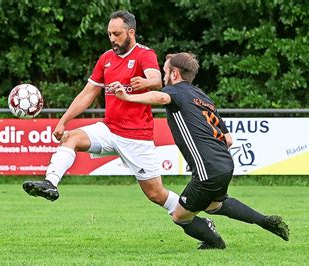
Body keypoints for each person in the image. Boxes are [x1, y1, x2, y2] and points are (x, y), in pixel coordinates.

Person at [114, 52, 289, 249]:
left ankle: (214, 242)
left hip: (208, 170)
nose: (164, 77)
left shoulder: (175, 92)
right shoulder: (202, 97)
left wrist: (127, 96)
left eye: (165, 71)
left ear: (175, 73)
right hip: (225, 164)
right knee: (214, 204)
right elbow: (228, 139)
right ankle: (264, 221)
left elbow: (161, 98)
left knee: (180, 216)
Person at [22, 10, 179, 216]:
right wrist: (63, 121)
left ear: (131, 32)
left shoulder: (144, 54)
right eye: (109, 34)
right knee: (71, 138)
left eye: (117, 34)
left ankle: (195, 219)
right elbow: (88, 93)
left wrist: (146, 82)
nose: (112, 39)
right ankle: (50, 183)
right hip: (109, 129)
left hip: (136, 136)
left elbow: (157, 80)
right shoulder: (106, 58)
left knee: (156, 194)